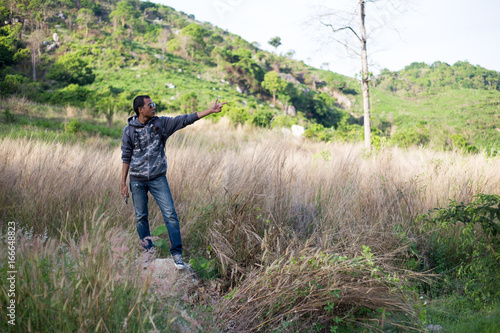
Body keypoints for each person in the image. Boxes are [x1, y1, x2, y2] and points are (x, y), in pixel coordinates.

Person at [121, 95, 227, 269]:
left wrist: (211, 110)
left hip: (157, 178)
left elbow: (185, 119)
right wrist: (123, 183)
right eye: (150, 105)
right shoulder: (129, 130)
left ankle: (177, 254)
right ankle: (148, 254)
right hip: (137, 180)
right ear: (141, 109)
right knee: (141, 218)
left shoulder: (160, 124)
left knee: (170, 214)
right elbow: (126, 156)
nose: (154, 107)